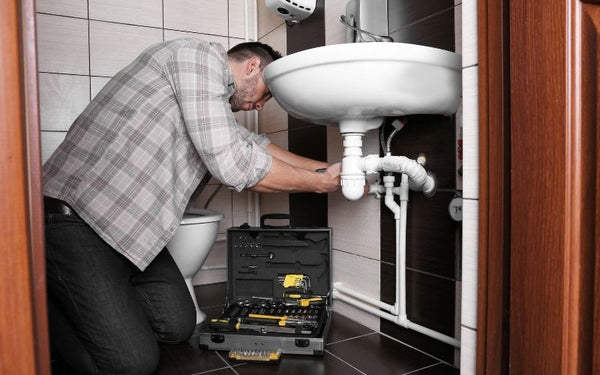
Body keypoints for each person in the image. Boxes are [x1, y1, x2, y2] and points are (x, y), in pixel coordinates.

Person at [43, 38, 341, 375]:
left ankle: (90, 303)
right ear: (253, 66)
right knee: (131, 364)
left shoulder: (208, 96)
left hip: (130, 233)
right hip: (78, 219)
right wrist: (318, 184)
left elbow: (254, 145)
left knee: (177, 325)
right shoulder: (197, 58)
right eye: (266, 94)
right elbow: (233, 165)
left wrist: (325, 170)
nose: (261, 107)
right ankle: (36, 302)